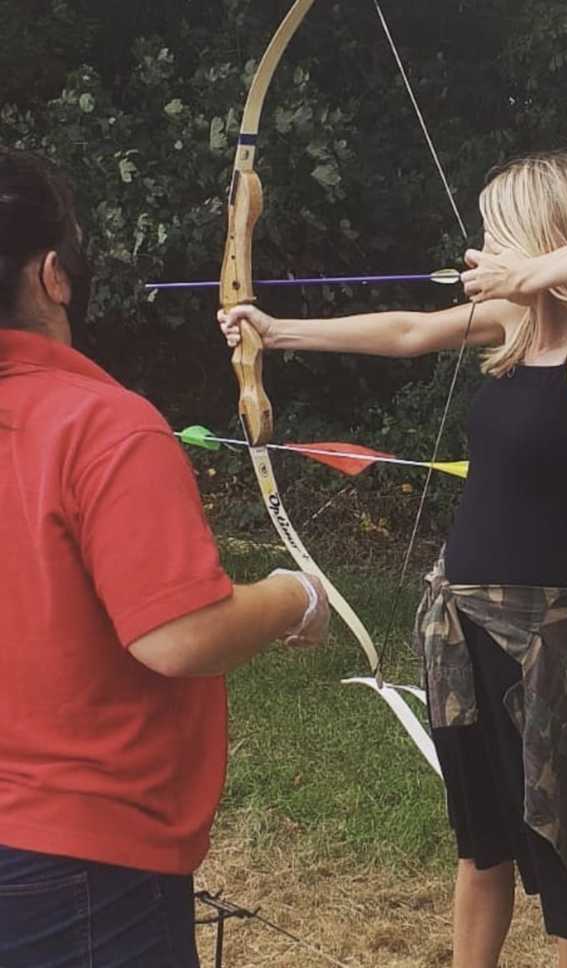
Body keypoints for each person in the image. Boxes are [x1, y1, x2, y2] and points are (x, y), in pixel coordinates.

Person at [220, 152, 567, 968]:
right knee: (483, 845)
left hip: (542, 647)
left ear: (541, 238)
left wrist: (521, 274)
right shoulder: (517, 330)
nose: (480, 253)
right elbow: (410, 332)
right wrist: (277, 332)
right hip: (459, 626)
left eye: (497, 235)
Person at [0, 147, 330, 967]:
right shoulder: (100, 424)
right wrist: (296, 594)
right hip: (82, 860)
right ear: (53, 275)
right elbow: (178, 636)